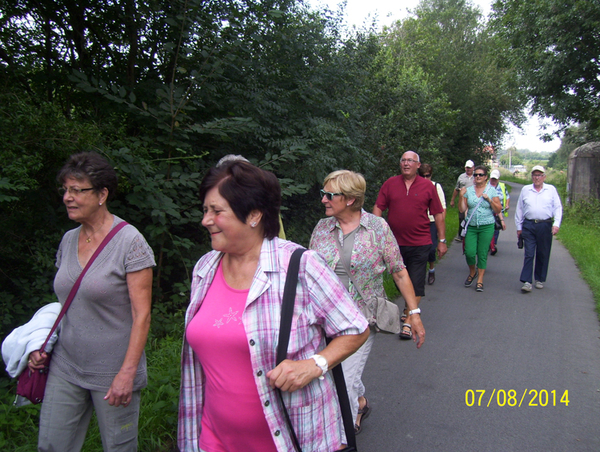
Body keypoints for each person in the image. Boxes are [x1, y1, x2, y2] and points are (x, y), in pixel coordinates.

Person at [178, 160, 370, 452]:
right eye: (205, 210)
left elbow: (356, 328)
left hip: (289, 440)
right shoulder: (205, 268)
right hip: (213, 440)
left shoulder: (299, 266)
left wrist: (314, 365)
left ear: (254, 215)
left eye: (217, 211)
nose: (206, 220)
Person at [28, 151, 156, 451]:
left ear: (102, 194)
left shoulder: (130, 242)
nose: (68, 198)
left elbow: (142, 315)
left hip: (114, 372)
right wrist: (40, 345)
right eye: (65, 190)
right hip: (66, 365)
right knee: (50, 445)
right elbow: (65, 303)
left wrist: (126, 374)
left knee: (119, 447)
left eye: (77, 190)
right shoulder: (68, 240)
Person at [309, 170, 424, 435]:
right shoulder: (321, 227)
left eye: (329, 195)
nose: (323, 200)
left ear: (349, 199)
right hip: (324, 319)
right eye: (323, 194)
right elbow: (311, 272)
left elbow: (398, 270)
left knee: (343, 382)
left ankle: (342, 436)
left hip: (360, 320)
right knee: (335, 371)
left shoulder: (377, 228)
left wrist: (414, 313)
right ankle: (360, 403)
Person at [373, 151, 446, 337]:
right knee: (400, 281)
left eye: (410, 161)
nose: (406, 164)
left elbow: (438, 213)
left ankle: (408, 319)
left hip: (420, 242)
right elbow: (379, 208)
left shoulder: (427, 186)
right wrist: (375, 233)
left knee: (416, 281)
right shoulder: (390, 183)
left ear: (418, 165)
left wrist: (442, 240)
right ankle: (408, 308)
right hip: (394, 244)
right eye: (403, 160)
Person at [514, 165, 562, 292]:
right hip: (529, 225)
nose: (537, 178)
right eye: (534, 175)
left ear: (544, 177)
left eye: (539, 175)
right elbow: (519, 208)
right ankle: (527, 281)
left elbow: (557, 207)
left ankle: (540, 278)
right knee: (529, 253)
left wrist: (556, 224)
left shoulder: (551, 189)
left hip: (544, 225)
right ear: (531, 177)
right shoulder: (526, 189)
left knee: (543, 252)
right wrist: (519, 227)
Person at [458, 165, 502, 292]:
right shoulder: (468, 190)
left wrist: (489, 200)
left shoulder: (491, 191)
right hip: (471, 226)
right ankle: (473, 272)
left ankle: (480, 280)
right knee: (470, 252)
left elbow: (498, 209)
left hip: (486, 226)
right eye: (476, 174)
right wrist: (461, 196)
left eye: (480, 175)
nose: (477, 177)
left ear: (486, 177)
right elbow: (462, 209)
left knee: (482, 253)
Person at [419, 164, 447, 284]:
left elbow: (442, 208)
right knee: (418, 249)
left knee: (431, 248)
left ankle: (431, 269)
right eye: (422, 176)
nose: (425, 179)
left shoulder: (436, 186)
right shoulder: (416, 187)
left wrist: (439, 224)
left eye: (428, 176)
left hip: (432, 222)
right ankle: (419, 273)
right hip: (419, 222)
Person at [450, 160, 475, 241]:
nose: (468, 169)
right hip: (463, 199)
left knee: (471, 216)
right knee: (461, 217)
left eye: (470, 168)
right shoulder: (461, 177)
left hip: (473, 200)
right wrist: (452, 200)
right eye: (467, 168)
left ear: (473, 168)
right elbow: (456, 189)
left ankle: (471, 234)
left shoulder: (476, 176)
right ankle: (460, 235)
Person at [489, 169, 509, 255]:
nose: (493, 180)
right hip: (488, 211)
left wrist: (507, 204)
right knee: (489, 229)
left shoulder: (502, 186)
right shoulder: (486, 186)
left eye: (495, 179)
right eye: (492, 179)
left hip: (498, 211)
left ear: (498, 179)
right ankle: (490, 245)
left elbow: (507, 196)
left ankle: (494, 244)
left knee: (496, 228)